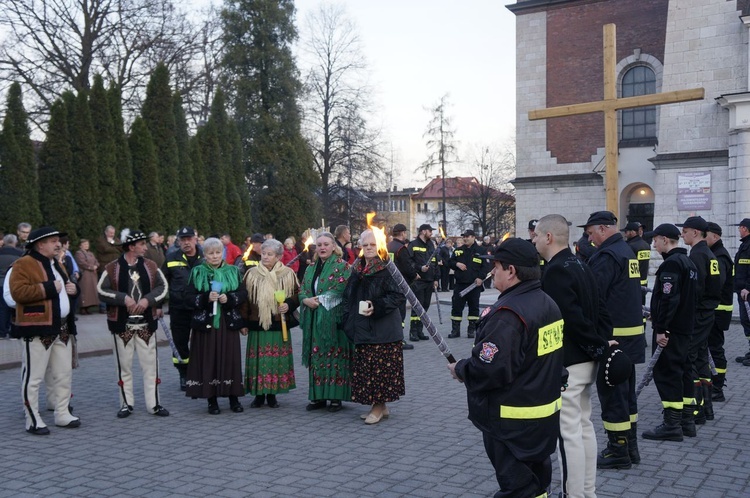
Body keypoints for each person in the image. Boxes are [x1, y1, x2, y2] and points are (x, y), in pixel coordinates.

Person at [448, 238, 564, 498]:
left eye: (496, 267)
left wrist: (462, 369)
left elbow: (489, 370)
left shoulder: (508, 315)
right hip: (542, 417)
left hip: (513, 422)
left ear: (511, 271)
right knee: (537, 480)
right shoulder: (548, 303)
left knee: (518, 487)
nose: (492, 273)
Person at [535, 214, 611, 498]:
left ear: (548, 237)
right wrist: (601, 344)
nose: (533, 241)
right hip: (586, 359)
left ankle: (574, 494)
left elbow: (570, 318)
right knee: (583, 426)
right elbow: (601, 309)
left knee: (568, 435)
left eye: (536, 236)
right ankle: (587, 492)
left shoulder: (556, 270)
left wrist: (597, 345)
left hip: (570, 361)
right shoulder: (581, 262)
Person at [580, 211, 644, 469]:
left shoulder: (607, 256)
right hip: (631, 336)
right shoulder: (626, 251)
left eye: (592, 232)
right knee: (627, 394)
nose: (589, 237)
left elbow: (593, 296)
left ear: (604, 229)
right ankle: (630, 446)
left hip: (614, 338)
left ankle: (618, 451)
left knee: (613, 395)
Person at [4, 227, 80, 434]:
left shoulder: (57, 263)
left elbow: (65, 289)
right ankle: (32, 419)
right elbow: (17, 293)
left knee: (63, 375)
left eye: (58, 240)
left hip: (62, 328)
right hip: (37, 329)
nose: (58, 244)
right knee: (34, 377)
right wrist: (47, 288)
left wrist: (73, 290)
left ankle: (62, 413)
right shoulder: (23, 264)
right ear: (40, 244)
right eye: (54, 241)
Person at [97, 231, 170, 418]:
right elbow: (101, 291)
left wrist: (148, 300)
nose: (146, 247)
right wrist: (123, 299)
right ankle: (126, 404)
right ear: (132, 247)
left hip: (146, 324)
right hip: (122, 325)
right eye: (142, 244)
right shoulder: (112, 268)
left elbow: (163, 287)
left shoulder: (151, 266)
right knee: (124, 367)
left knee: (151, 366)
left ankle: (154, 404)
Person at [343, 229, 406, 424]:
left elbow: (397, 296)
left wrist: (376, 306)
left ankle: (378, 407)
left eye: (372, 245)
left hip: (383, 329)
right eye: (365, 245)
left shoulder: (388, 268)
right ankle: (380, 406)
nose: (369, 248)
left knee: (380, 370)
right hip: (364, 327)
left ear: (379, 246)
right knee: (367, 369)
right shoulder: (359, 268)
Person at [641, 224, 697, 442]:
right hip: (684, 330)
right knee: (683, 372)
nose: (654, 244)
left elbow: (668, 299)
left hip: (671, 331)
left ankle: (672, 425)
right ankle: (686, 421)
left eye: (655, 240)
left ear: (665, 240)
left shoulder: (672, 264)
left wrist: (661, 328)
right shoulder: (688, 262)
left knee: (667, 374)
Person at [184, 237, 246, 414]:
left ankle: (233, 397)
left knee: (230, 359)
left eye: (218, 252)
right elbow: (187, 298)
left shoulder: (233, 271)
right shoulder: (197, 272)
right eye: (210, 253)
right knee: (208, 358)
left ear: (223, 253)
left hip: (227, 323)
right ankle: (211, 399)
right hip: (206, 323)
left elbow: (243, 293)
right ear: (205, 255)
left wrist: (230, 298)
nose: (215, 256)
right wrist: (204, 298)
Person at [299, 231, 353, 412]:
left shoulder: (343, 266)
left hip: (333, 321)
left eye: (326, 244)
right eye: (319, 244)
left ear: (334, 247)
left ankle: (335, 398)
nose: (322, 247)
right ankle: (318, 397)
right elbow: (303, 289)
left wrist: (320, 300)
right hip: (314, 320)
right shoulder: (310, 268)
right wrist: (306, 300)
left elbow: (341, 289)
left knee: (334, 357)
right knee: (317, 357)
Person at [242, 238, 299, 409]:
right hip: (257, 324)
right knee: (258, 361)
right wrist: (243, 323)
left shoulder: (288, 274)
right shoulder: (251, 274)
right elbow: (244, 300)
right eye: (264, 254)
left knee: (275, 362)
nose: (265, 257)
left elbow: (298, 293)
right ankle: (259, 395)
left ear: (278, 256)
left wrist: (289, 304)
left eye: (270, 254)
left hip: (278, 324)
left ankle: (272, 394)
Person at [676, 216, 721, 425]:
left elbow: (695, 289)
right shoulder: (709, 254)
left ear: (695, 233)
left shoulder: (697, 256)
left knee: (689, 358)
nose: (682, 235)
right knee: (701, 358)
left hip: (698, 314)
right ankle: (707, 409)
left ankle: (695, 409)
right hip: (707, 313)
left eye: (684, 231)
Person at [163, 226, 204, 391]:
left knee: (202, 342)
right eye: (183, 240)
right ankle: (183, 374)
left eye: (189, 239)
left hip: (201, 307)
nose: (186, 242)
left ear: (195, 239)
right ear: (178, 241)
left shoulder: (206, 257)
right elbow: (162, 282)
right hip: (179, 308)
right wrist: (159, 304)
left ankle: (201, 372)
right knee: (180, 342)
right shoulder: (171, 258)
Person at [705, 222, 734, 402]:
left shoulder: (720, 256)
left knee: (715, 349)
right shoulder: (717, 253)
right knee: (713, 348)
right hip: (717, 310)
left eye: (705, 235)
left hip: (718, 311)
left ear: (715, 236)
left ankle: (717, 386)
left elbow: (717, 284)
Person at [448, 229, 490, 339]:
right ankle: (455, 330)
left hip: (474, 286)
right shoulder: (458, 250)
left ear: (473, 237)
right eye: (464, 236)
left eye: (468, 236)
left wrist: (481, 277)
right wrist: (457, 264)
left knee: (474, 308)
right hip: (460, 285)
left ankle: (471, 330)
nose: (465, 238)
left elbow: (486, 267)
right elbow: (450, 262)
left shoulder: (481, 251)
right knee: (456, 307)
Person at [386, 224, 416, 350]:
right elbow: (407, 267)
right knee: (400, 312)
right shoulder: (401, 249)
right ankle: (399, 339)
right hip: (399, 284)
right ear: (403, 233)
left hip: (387, 282)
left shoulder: (387, 247)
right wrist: (415, 275)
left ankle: (389, 338)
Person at [406, 224, 439, 342]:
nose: (431, 233)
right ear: (423, 231)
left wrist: (436, 278)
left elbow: (435, 262)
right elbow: (409, 261)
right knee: (417, 307)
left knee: (425, 307)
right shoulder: (413, 245)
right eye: (430, 231)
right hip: (419, 281)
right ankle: (413, 332)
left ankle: (420, 331)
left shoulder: (431, 245)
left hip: (430, 280)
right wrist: (419, 268)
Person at [0, 234, 23, 338]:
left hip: (0, 284)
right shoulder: (20, 254)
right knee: (15, 308)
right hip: (14, 284)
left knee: (2, 308)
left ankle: (2, 332)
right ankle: (15, 333)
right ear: (15, 242)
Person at [734, 218, 750, 365]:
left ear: (744, 228)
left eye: (740, 228)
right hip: (742, 291)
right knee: (746, 321)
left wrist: (748, 287)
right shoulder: (745, 245)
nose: (738, 230)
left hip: (747, 292)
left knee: (749, 320)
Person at [622, 221, 651, 302]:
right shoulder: (646, 245)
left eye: (626, 232)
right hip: (644, 282)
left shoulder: (630, 246)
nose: (625, 234)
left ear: (632, 232)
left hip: (632, 284)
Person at [74, 239, 99, 315]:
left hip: (92, 275)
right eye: (84, 244)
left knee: (91, 291)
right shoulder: (79, 253)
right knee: (85, 290)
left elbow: (96, 261)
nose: (86, 245)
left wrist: (96, 266)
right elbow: (82, 263)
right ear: (80, 245)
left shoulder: (91, 253)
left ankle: (88, 307)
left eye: (87, 244)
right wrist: (91, 267)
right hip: (85, 274)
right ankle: (83, 308)